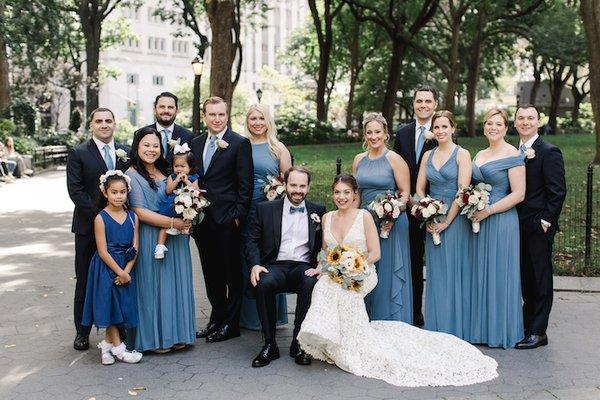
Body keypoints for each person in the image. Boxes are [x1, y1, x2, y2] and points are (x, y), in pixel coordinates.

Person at [297, 174, 498, 387]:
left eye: (346, 192)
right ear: (332, 193)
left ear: (355, 194)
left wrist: (354, 265)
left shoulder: (363, 216)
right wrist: (321, 268)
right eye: (337, 192)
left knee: (345, 294)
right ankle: (323, 341)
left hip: (363, 272)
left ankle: (350, 344)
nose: (342, 197)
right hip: (336, 271)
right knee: (322, 287)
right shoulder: (327, 217)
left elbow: (375, 254)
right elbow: (325, 251)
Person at [245, 167, 326, 367]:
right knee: (263, 282)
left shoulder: (318, 210)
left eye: (302, 186)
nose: (298, 190)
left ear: (308, 187)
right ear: (285, 185)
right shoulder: (265, 209)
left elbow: (327, 242)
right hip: (275, 264)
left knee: (310, 283)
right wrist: (255, 265)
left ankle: (299, 343)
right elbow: (251, 241)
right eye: (293, 185)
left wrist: (321, 265)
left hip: (303, 265)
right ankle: (270, 344)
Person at [126, 127, 196, 353]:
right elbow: (138, 211)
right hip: (150, 237)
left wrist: (190, 211)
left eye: (156, 145)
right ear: (137, 146)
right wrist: (173, 223)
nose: (151, 149)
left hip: (176, 240)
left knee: (174, 285)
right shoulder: (132, 175)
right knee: (154, 288)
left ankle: (177, 334)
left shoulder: (167, 170)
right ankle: (156, 338)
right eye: (146, 144)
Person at [66, 108, 130, 351]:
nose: (104, 125)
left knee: (119, 276)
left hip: (121, 229)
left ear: (115, 123)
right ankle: (82, 332)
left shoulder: (125, 151)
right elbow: (76, 191)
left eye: (108, 121)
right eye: (99, 121)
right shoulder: (79, 153)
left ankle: (119, 329)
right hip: (87, 227)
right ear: (91, 125)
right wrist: (102, 218)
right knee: (85, 279)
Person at [191, 97, 253, 342]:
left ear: (227, 115)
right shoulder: (194, 144)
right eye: (212, 114)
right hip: (202, 221)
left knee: (231, 274)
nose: (217, 119)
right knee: (211, 273)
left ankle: (231, 324)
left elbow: (245, 186)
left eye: (221, 114)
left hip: (227, 221)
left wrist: (237, 217)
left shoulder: (239, 143)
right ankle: (216, 319)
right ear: (204, 116)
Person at [470, 108, 526, 348]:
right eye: (489, 123)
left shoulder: (513, 153)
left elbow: (519, 194)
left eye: (498, 124)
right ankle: (481, 329)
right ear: (484, 127)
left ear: (506, 128)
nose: (493, 127)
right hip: (478, 221)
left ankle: (500, 330)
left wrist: (489, 210)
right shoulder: (479, 154)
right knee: (481, 273)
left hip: (502, 221)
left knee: (500, 274)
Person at [415, 110, 473, 339]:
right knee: (437, 272)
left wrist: (447, 221)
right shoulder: (428, 155)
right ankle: (437, 324)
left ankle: (457, 326)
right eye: (436, 127)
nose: (440, 131)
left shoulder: (462, 154)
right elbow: (420, 188)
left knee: (455, 270)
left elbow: (463, 191)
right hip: (433, 220)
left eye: (444, 127)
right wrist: (427, 210)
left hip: (455, 221)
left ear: (453, 129)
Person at [514, 104, 566, 349]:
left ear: (538, 122)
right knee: (526, 276)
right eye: (521, 118)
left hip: (537, 225)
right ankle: (527, 324)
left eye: (530, 118)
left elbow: (557, 191)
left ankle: (539, 331)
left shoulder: (548, 151)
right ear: (515, 123)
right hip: (517, 225)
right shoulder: (515, 151)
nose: (525, 122)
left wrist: (546, 222)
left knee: (540, 277)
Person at [353, 112, 413, 323]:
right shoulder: (359, 160)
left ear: (386, 134)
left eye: (377, 132)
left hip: (391, 224)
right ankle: (366, 320)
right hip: (365, 222)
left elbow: (405, 193)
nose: (373, 136)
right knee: (367, 270)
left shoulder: (395, 159)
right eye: (369, 132)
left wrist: (392, 212)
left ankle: (391, 321)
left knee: (388, 272)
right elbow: (355, 193)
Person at [239, 104, 292, 330]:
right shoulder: (240, 146)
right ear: (247, 122)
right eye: (253, 118)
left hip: (270, 211)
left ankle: (272, 315)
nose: (257, 122)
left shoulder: (278, 148)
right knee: (247, 258)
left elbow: (288, 182)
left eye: (261, 118)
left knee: (270, 258)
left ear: (268, 121)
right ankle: (248, 317)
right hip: (246, 209)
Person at [81, 170, 142, 365]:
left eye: (122, 192)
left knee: (120, 306)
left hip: (125, 267)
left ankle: (106, 348)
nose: (118, 196)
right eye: (114, 192)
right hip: (106, 268)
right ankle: (120, 350)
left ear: (127, 192)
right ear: (105, 193)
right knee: (109, 305)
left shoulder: (133, 216)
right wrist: (119, 272)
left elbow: (135, 247)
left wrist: (127, 271)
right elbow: (102, 251)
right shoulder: (101, 218)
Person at [392, 85, 439, 327]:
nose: (423, 105)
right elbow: (396, 168)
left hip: (437, 209)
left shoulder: (442, 130)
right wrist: (406, 199)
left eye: (428, 101)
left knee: (439, 262)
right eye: (419, 101)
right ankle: (413, 312)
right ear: (413, 104)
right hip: (408, 208)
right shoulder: (402, 134)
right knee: (411, 261)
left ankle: (441, 312)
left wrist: (431, 203)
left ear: (435, 105)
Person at [154, 144, 200, 259]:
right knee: (166, 223)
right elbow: (168, 190)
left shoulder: (193, 177)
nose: (179, 169)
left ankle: (183, 228)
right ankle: (160, 246)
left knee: (188, 216)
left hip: (186, 205)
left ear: (190, 167)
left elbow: (196, 191)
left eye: (183, 166)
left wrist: (187, 181)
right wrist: (176, 181)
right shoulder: (172, 177)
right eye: (176, 166)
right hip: (172, 203)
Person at [144, 92, 193, 164]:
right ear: (154, 110)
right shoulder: (142, 134)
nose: (166, 111)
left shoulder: (188, 136)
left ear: (177, 111)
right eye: (162, 107)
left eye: (170, 107)